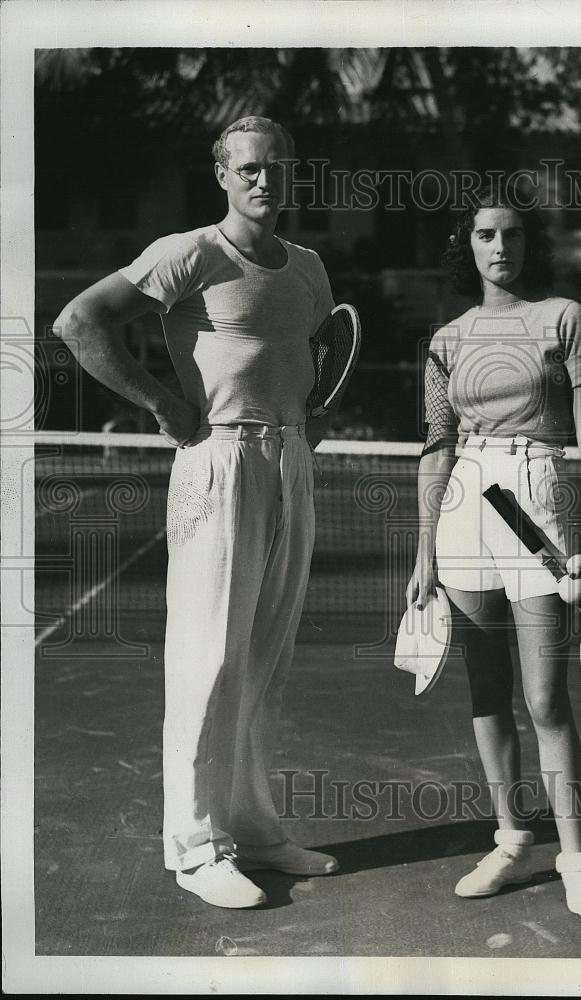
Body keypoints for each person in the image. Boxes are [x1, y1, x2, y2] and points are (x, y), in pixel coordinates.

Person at [54, 116, 340, 909]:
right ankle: (194, 846)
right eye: (247, 167)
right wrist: (158, 403)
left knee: (263, 658)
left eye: (276, 168)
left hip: (290, 464)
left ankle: (251, 830)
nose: (263, 180)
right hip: (216, 463)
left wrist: (306, 419)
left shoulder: (311, 268)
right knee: (207, 657)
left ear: (292, 176)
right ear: (221, 174)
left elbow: (296, 358)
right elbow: (78, 322)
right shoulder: (190, 251)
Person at [406, 183, 581, 938]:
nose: (500, 247)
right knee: (484, 690)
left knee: (544, 699)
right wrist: (422, 549)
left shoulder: (563, 319)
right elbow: (435, 449)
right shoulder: (444, 339)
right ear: (466, 248)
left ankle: (577, 869)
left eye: (511, 235)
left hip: (539, 494)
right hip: (466, 502)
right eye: (484, 236)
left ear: (529, 245)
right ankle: (509, 839)